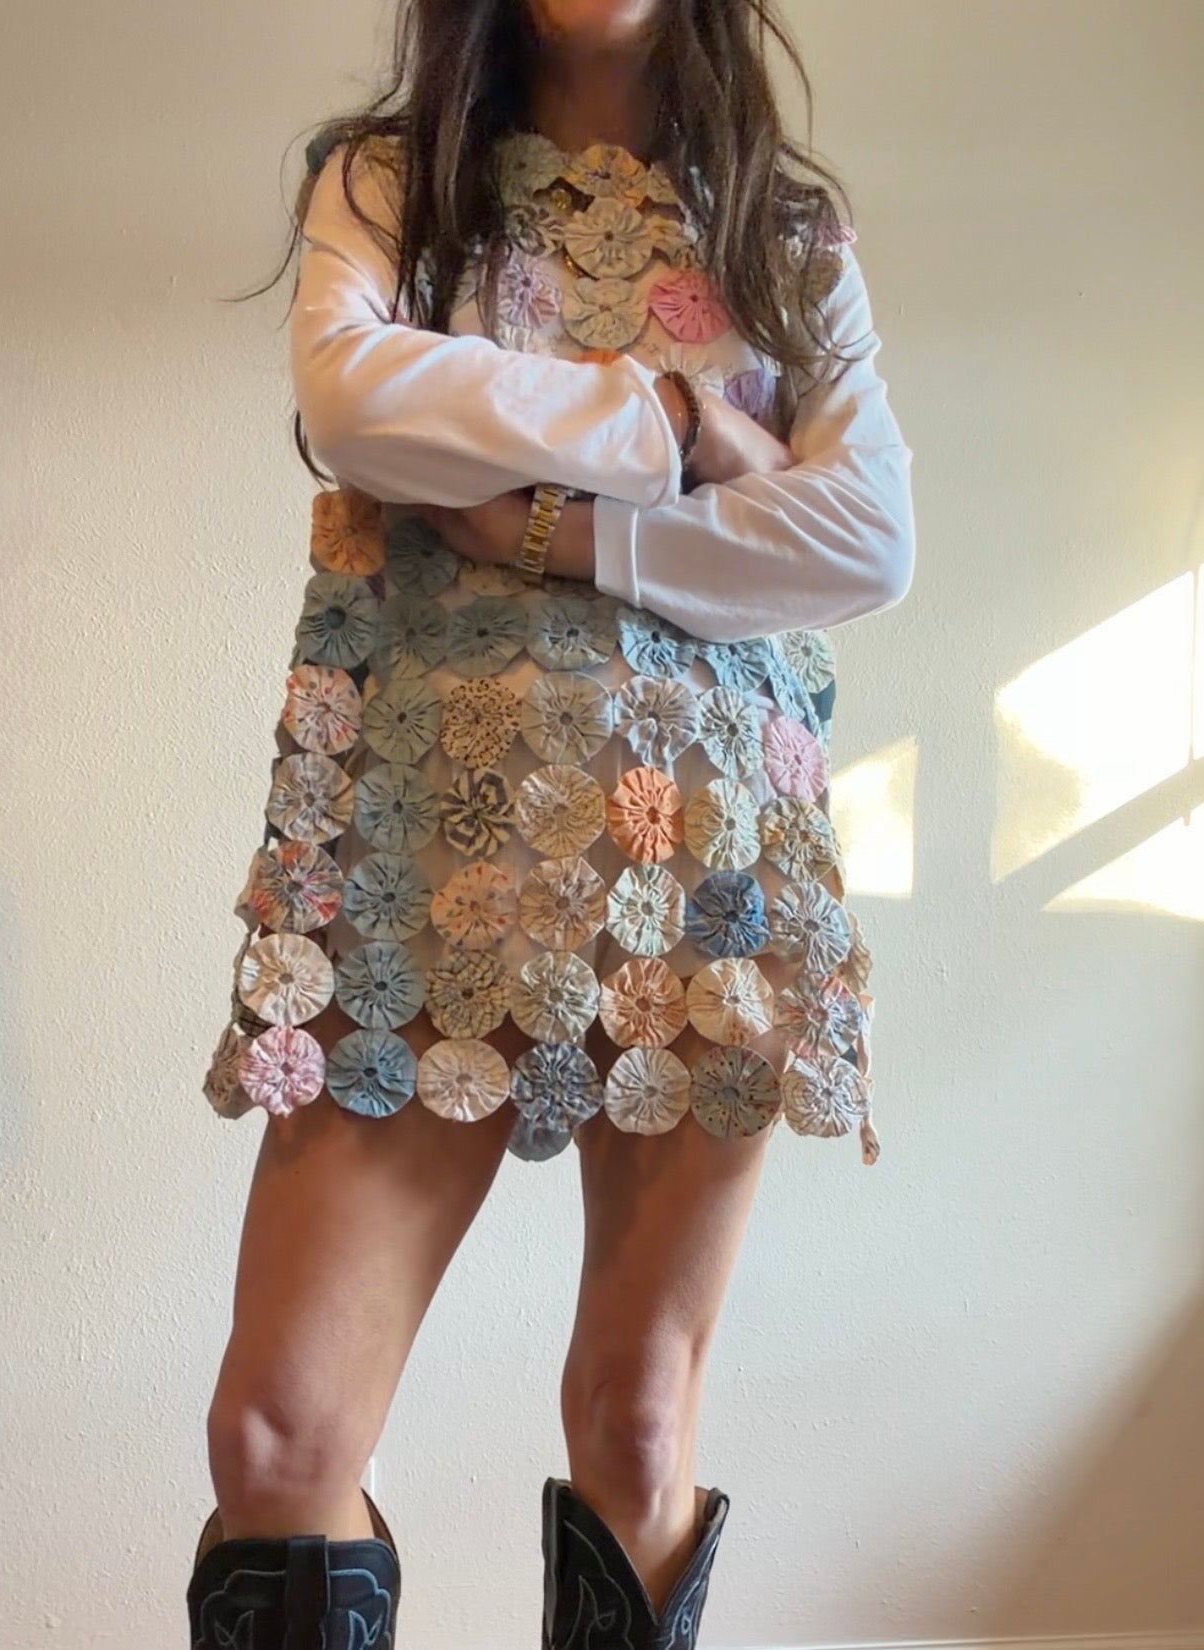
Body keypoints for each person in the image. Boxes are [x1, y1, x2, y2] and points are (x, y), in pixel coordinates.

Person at [187, 1, 915, 1644]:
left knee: (640, 1428)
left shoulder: (787, 233)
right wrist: (678, 429)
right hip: (424, 856)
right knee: (280, 1435)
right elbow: (355, 400)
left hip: (705, 871)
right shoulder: (391, 185)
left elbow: (864, 537)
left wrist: (554, 532)